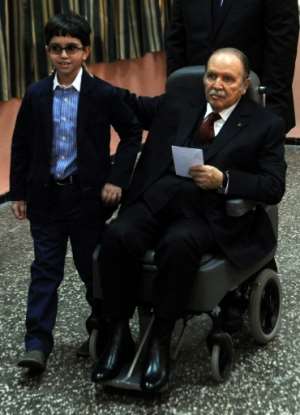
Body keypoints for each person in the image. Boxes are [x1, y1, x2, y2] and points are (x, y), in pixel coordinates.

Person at [91, 48, 286, 392]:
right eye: (212, 76)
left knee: (177, 245)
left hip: (207, 210)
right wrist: (87, 79)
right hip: (158, 197)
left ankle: (160, 341)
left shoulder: (264, 124)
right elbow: (134, 105)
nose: (217, 85)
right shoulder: (180, 105)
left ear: (243, 86)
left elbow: (273, 185)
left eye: (228, 79)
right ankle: (119, 333)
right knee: (117, 236)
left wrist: (223, 180)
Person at [9, 13, 141, 372]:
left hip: (87, 201)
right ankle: (37, 344)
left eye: (71, 48)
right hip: (46, 199)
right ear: (47, 52)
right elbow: (21, 145)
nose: (63, 56)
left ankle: (103, 329)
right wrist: (19, 191)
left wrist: (117, 179)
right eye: (56, 49)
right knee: (45, 271)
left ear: (86, 51)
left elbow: (132, 133)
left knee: (92, 269)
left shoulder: (102, 94)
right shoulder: (37, 95)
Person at [165, 0, 299, 133]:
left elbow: (281, 49)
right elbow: (175, 41)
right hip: (195, 105)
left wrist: (271, 112)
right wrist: (176, 98)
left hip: (253, 103)